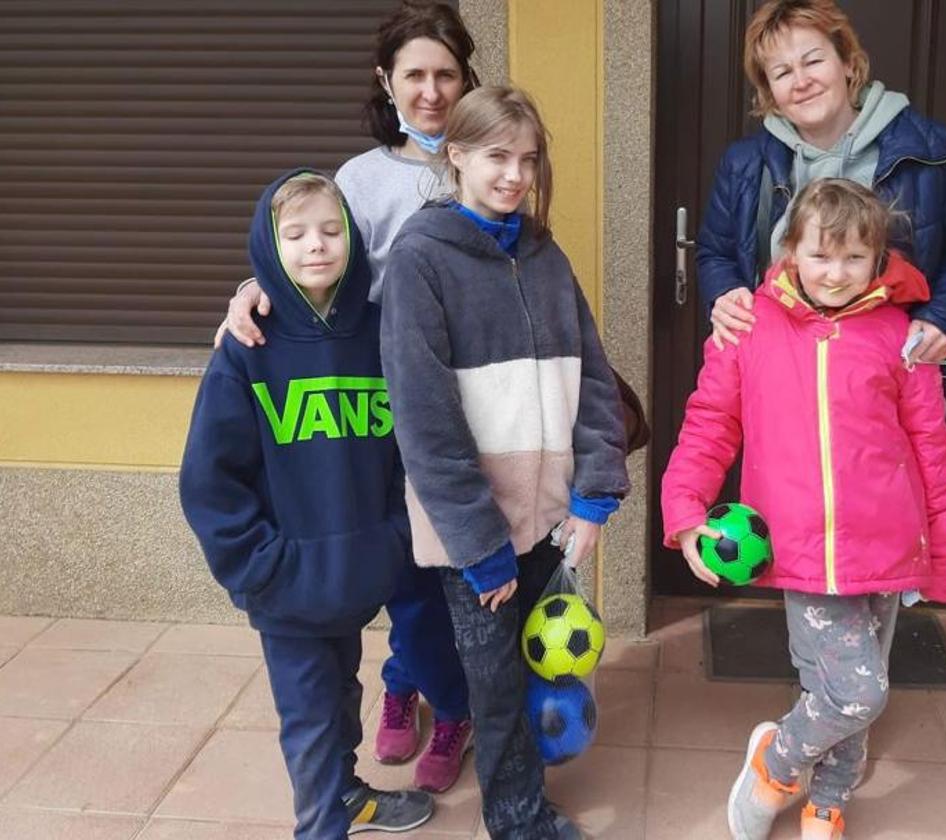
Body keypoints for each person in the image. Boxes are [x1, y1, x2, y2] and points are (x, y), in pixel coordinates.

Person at [217, 0, 478, 793]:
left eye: (445, 75)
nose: (431, 92)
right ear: (387, 84)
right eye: (414, 77)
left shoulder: (483, 161)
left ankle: (440, 695)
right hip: (376, 404)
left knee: (434, 571)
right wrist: (246, 295)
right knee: (395, 564)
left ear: (466, 79)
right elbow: (306, 259)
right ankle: (410, 686)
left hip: (462, 400)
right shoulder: (361, 180)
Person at [661, 178, 946, 840]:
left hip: (887, 545)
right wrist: (685, 511)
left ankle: (828, 801)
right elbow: (711, 422)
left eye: (855, 258)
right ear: (791, 250)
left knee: (860, 685)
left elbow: (932, 449)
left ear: (879, 259)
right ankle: (774, 765)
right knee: (857, 691)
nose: (836, 273)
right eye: (821, 255)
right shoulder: (749, 326)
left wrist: (943, 555)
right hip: (802, 550)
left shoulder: (901, 336)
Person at [379, 85, 630, 840]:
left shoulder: (544, 255)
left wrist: (592, 497)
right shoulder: (420, 261)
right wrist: (481, 548)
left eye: (527, 158)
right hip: (476, 538)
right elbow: (426, 424)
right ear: (454, 155)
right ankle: (517, 822)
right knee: (495, 683)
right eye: (496, 155)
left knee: (541, 663)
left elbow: (592, 377)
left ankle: (527, 777)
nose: (514, 174)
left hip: (551, 518)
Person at [180, 170, 436, 838]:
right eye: (294, 235)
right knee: (311, 720)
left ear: (353, 238)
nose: (315, 246)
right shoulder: (248, 349)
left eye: (330, 230)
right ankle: (321, 826)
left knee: (345, 698)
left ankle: (346, 795)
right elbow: (209, 479)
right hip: (287, 588)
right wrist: (264, 567)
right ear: (269, 245)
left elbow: (404, 452)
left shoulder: (378, 334)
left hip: (356, 573)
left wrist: (389, 541)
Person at [697, 0, 946, 455]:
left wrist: (943, 319)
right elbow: (717, 252)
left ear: (847, 60)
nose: (801, 81)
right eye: (781, 72)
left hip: (901, 391)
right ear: (769, 89)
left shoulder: (930, 148)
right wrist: (724, 291)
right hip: (787, 397)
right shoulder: (746, 164)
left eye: (813, 60)